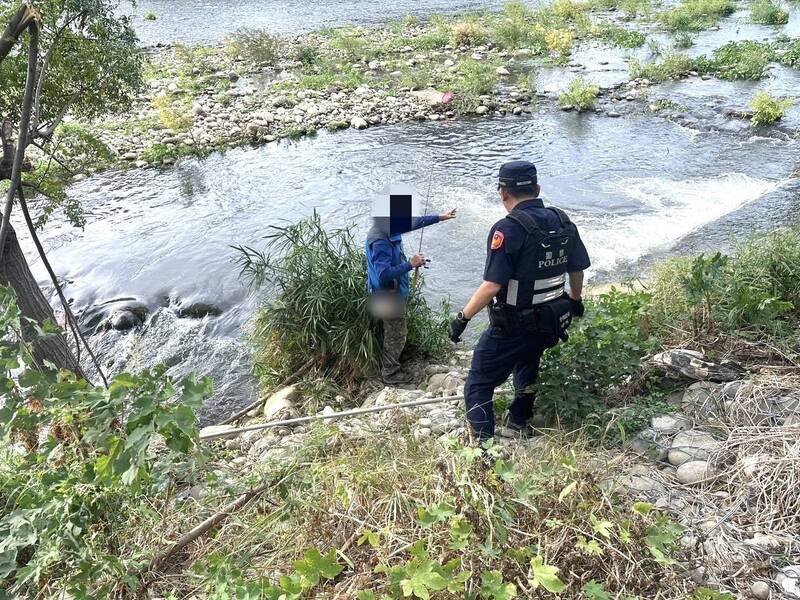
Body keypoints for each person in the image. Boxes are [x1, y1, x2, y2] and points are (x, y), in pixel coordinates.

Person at [448, 160, 591, 440]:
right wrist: (575, 301)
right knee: (528, 361)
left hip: (513, 325)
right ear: (537, 189)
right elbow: (577, 270)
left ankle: (483, 447)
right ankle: (518, 421)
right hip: (551, 320)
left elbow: (492, 285)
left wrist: (462, 318)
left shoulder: (508, 229)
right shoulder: (563, 222)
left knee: (478, 383)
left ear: (503, 193)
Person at [366, 208, 457, 385]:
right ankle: (390, 374)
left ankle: (385, 363)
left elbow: (415, 222)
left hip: (387, 293)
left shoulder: (386, 226)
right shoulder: (380, 241)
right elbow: (383, 274)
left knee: (390, 331)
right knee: (396, 335)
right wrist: (411, 264)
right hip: (387, 297)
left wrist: (440, 217)